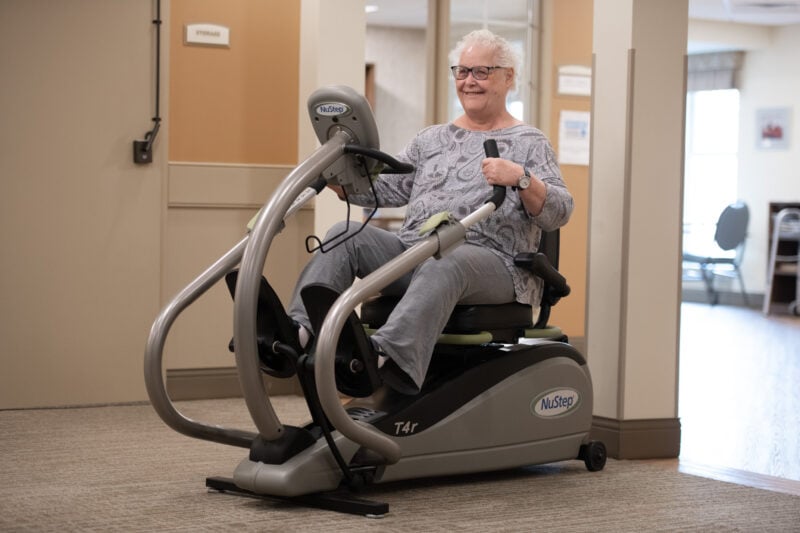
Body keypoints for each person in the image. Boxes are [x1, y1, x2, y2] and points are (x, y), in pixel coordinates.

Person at [286, 29, 573, 395]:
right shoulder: (430, 139)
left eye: (481, 72)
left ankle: (384, 359)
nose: (469, 81)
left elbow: (559, 211)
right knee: (343, 238)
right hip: (414, 252)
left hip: (493, 265)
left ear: (508, 77)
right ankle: (299, 334)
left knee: (447, 258)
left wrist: (522, 178)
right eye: (462, 71)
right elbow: (385, 190)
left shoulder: (530, 142)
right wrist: (340, 179)